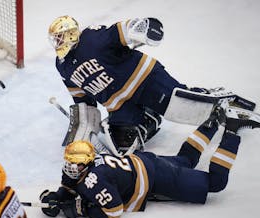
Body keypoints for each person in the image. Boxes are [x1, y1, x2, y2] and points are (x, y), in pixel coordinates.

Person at [48, 15, 256, 154]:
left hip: (145, 81)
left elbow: (122, 31)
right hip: (120, 107)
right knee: (125, 147)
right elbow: (83, 101)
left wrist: (144, 27)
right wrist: (83, 130)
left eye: (59, 37)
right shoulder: (62, 66)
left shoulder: (91, 37)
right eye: (54, 39)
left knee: (185, 108)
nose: (56, 43)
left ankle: (224, 102)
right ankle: (150, 116)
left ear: (71, 33)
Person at [39, 103, 260, 218]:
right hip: (144, 163)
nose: (70, 167)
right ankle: (213, 121)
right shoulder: (82, 169)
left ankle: (231, 128)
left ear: (87, 163)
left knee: (216, 183)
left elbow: (114, 210)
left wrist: (81, 209)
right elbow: (69, 186)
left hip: (153, 177)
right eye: (69, 161)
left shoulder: (95, 180)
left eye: (75, 163)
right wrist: (56, 197)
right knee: (186, 159)